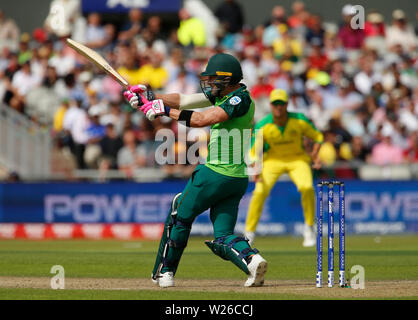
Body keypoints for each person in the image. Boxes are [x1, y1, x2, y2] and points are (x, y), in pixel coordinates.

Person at [124, 53, 267, 288]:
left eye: (212, 79)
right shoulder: (225, 93)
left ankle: (165, 272)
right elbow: (185, 100)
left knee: (179, 215)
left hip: (214, 174)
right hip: (237, 178)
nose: (209, 83)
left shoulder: (238, 99)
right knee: (223, 236)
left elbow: (201, 119)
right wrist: (150, 97)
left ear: (226, 78)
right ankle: (253, 261)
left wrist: (161, 111)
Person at [244, 89, 324, 247]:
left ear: (287, 104)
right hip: (272, 161)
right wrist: (255, 167)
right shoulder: (264, 124)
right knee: (259, 192)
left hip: (297, 159)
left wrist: (315, 153)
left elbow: (318, 136)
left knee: (307, 187)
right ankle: (249, 233)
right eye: (275, 104)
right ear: (271, 105)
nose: (279, 107)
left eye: (282, 104)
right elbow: (254, 151)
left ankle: (309, 228)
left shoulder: (299, 120)